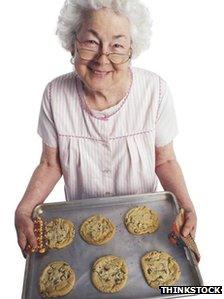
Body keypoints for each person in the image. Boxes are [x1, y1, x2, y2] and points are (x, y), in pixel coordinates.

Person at [15, 0, 197, 257]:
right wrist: (25, 208)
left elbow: (164, 159)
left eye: (117, 46)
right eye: (91, 42)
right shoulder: (55, 94)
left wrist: (185, 204)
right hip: (81, 233)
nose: (103, 58)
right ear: (72, 43)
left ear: (132, 50)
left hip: (146, 228)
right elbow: (50, 164)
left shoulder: (154, 92)